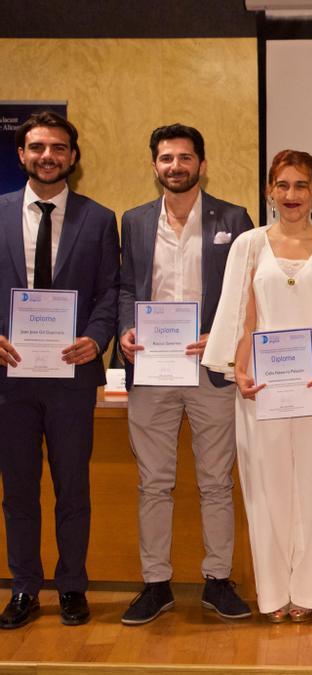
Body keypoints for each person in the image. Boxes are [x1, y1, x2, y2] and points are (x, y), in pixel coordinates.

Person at [202, 150, 312, 622]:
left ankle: (307, 590)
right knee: (266, 489)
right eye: (282, 185)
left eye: (301, 186)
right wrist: (238, 368)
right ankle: (272, 593)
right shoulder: (248, 244)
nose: (291, 195)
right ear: (269, 191)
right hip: (261, 390)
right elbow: (240, 314)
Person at [116, 124, 254, 625]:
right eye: (166, 158)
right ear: (155, 166)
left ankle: (218, 580)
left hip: (209, 369)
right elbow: (125, 288)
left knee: (216, 481)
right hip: (151, 370)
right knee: (154, 482)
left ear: (202, 163)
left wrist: (218, 335)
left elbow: (245, 292)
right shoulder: (133, 221)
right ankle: (156, 583)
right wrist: (128, 329)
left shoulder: (234, 218)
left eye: (185, 157)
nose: (176, 165)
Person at [0, 111, 119, 628]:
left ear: (73, 156)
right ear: (22, 154)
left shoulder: (98, 218)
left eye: (58, 147)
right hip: (10, 377)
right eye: (37, 147)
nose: (47, 155)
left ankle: (72, 584)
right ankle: (25, 588)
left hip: (73, 378)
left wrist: (96, 338)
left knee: (73, 487)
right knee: (19, 489)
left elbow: (111, 291)